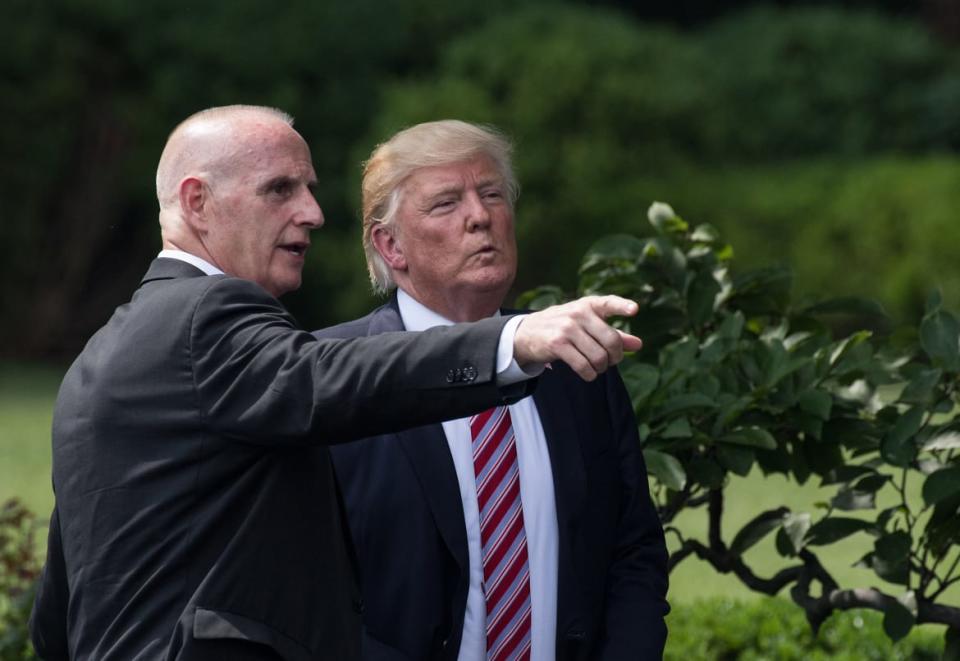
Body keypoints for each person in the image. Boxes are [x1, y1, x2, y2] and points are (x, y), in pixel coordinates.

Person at [28, 106, 644, 661]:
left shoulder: (99, 358)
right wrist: (513, 342)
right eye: (280, 189)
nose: (314, 213)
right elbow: (323, 378)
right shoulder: (206, 317)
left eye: (309, 189)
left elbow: (61, 611)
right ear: (196, 202)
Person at [318, 120, 669, 661]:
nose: (480, 217)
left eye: (491, 194)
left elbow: (633, 549)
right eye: (445, 204)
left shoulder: (573, 362)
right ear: (391, 246)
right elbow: (310, 592)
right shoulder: (335, 376)